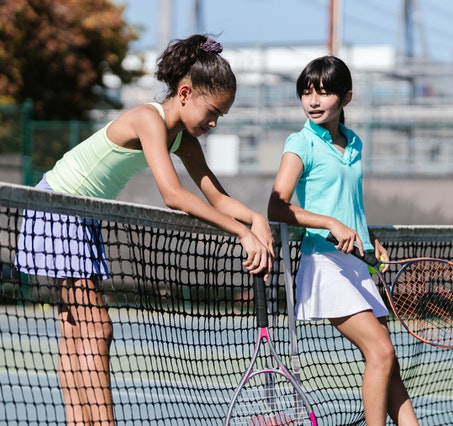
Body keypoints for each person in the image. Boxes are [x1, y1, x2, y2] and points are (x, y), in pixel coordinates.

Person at [16, 34, 274, 426]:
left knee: (76, 332)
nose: (214, 122)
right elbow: (173, 194)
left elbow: (217, 198)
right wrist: (240, 234)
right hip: (57, 205)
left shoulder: (183, 140)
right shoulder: (147, 118)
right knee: (96, 329)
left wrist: (255, 219)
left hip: (82, 215)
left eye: (221, 115)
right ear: (184, 92)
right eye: (212, 111)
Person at [267, 56, 419, 425]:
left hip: (357, 262)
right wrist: (329, 223)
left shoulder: (354, 143)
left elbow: (351, 203)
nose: (314, 101)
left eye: (324, 93)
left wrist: (370, 239)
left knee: (388, 362)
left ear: (346, 97)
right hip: (325, 264)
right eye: (307, 93)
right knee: (381, 351)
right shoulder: (300, 143)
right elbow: (276, 206)